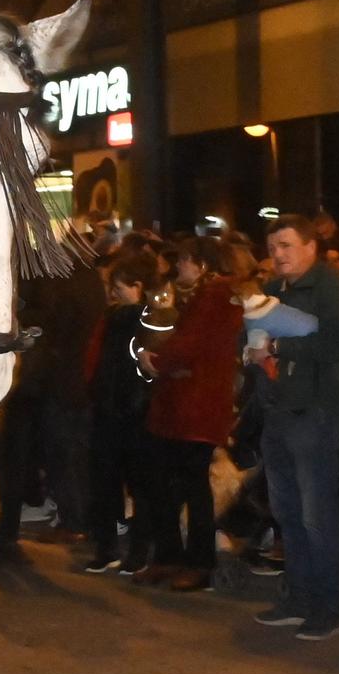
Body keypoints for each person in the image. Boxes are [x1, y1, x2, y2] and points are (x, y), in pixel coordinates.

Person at [251, 214, 339, 640]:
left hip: (313, 412)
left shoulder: (330, 288)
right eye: (273, 247)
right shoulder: (274, 290)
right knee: (287, 513)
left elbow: (336, 342)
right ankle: (298, 595)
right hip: (278, 410)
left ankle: (326, 603)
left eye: (287, 245)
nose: (278, 254)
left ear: (311, 246)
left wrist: (278, 344)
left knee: (317, 515)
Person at [136, 236, 242, 592]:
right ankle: (169, 556)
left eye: (183, 260)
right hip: (181, 405)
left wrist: (157, 360)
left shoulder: (216, 296)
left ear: (202, 263)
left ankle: (197, 562)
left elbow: (192, 344)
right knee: (165, 484)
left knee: (192, 488)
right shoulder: (205, 294)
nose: (177, 266)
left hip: (194, 407)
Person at [84, 254, 162, 575]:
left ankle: (134, 549)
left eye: (119, 286)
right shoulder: (115, 317)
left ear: (137, 286)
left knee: (135, 484)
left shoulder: (149, 318)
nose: (114, 292)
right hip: (113, 407)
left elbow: (147, 366)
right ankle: (114, 545)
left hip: (135, 409)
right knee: (110, 482)